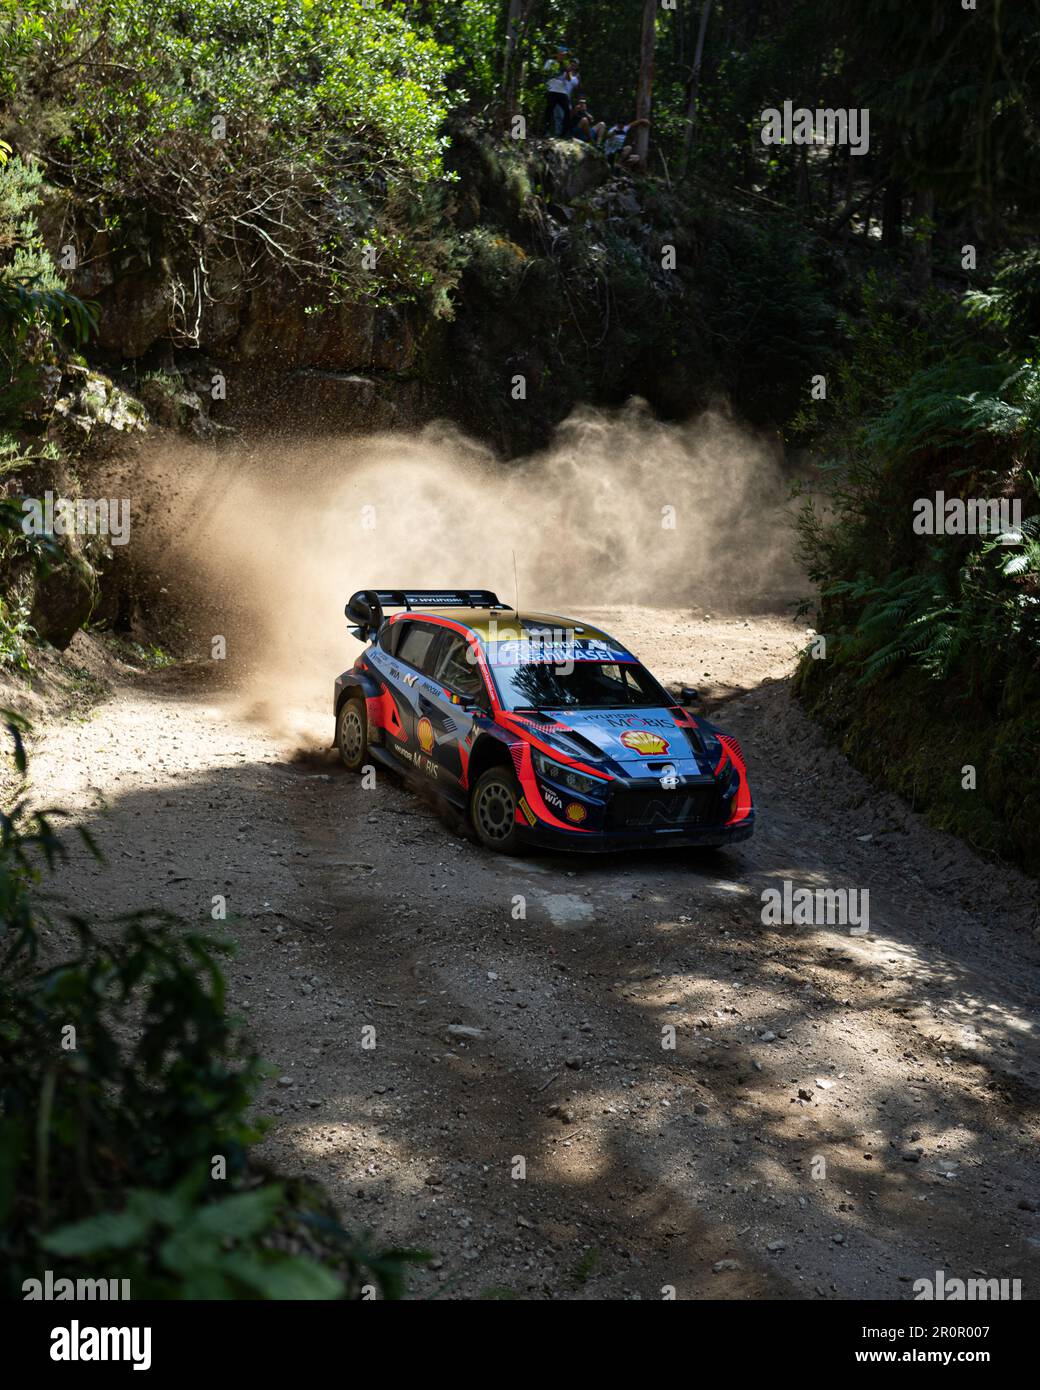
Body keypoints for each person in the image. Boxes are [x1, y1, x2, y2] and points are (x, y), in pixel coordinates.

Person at [543, 46, 574, 138]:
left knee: (567, 110)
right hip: (552, 89)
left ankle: (564, 133)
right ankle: (545, 131)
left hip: (562, 91)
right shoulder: (550, 62)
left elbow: (569, 79)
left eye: (564, 55)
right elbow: (545, 73)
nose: (563, 56)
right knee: (549, 110)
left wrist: (568, 71)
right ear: (557, 54)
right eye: (561, 54)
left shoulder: (566, 64)